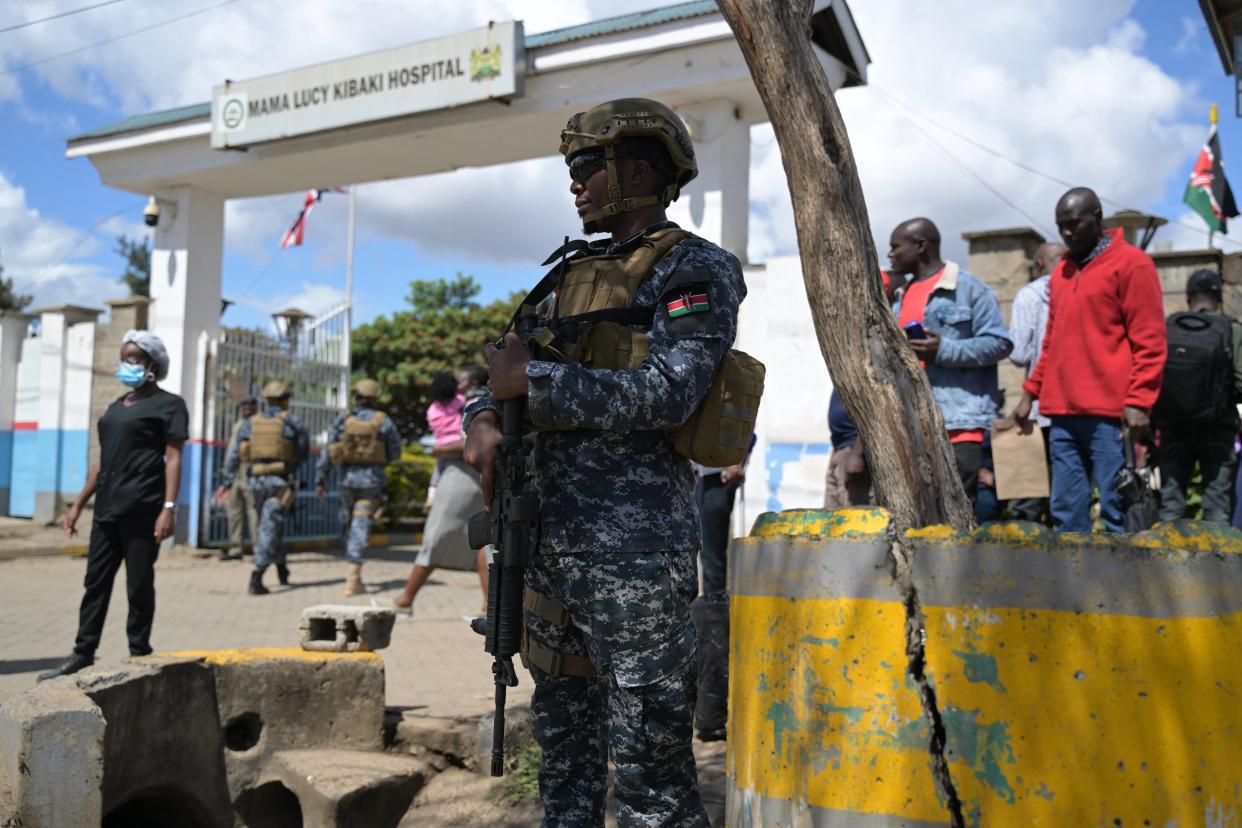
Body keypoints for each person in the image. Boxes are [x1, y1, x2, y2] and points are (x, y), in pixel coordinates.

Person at [462, 97, 741, 826]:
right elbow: (494, 371)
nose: (576, 183)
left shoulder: (693, 267)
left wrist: (537, 384)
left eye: (588, 167)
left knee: (651, 772)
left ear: (638, 169)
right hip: (548, 543)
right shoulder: (564, 278)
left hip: (635, 557)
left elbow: (673, 392)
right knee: (565, 760)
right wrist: (483, 419)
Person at [1013, 187, 1166, 532]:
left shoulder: (1132, 264)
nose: (1066, 233)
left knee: (1118, 507)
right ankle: (1075, 584)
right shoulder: (1062, 272)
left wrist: (1140, 401)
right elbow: (1051, 341)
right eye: (1060, 226)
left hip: (1110, 414)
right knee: (1066, 510)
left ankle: (1124, 583)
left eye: (1073, 224)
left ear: (1096, 217)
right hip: (1062, 412)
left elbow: (1150, 341)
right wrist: (1030, 393)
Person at [39, 331, 188, 680]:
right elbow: (102, 462)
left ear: (152, 364)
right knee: (96, 582)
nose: (127, 364)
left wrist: (169, 508)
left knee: (138, 583)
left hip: (143, 509)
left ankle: (139, 650)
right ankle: (83, 651)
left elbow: (174, 458)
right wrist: (78, 504)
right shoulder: (114, 410)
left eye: (134, 358)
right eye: (124, 358)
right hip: (106, 509)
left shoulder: (169, 405)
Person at [889, 218, 1013, 506]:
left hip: (959, 425)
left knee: (957, 513)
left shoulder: (970, 289)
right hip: (912, 425)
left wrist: (943, 350)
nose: (890, 255)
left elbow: (999, 343)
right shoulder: (900, 297)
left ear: (921, 246)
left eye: (896, 247)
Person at [392, 368, 490, 615]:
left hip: (462, 474)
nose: (457, 383)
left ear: (473, 382)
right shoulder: (488, 400)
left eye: (462, 378)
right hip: (488, 475)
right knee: (487, 541)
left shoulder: (474, 403)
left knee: (436, 535)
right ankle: (490, 605)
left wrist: (439, 449)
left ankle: (405, 599)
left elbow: (471, 443)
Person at [1153, 269, 1242, 522]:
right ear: (1219, 297)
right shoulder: (1231, 330)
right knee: (1216, 507)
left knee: (1171, 506)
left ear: (1189, 297)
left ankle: (1169, 561)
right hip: (1218, 430)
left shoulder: (1168, 327)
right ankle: (1219, 562)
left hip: (1173, 428)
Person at [215, 381, 310, 594]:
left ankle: (282, 568)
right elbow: (303, 453)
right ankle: (256, 577)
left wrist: (227, 481)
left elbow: (235, 455)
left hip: (255, 484)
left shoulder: (250, 423)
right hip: (279, 483)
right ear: (285, 399)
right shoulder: (293, 423)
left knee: (271, 525)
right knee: (269, 527)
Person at [316, 378, 402, 595]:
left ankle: (352, 569)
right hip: (371, 482)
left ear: (357, 397)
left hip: (346, 481)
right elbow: (395, 453)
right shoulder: (383, 421)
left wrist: (320, 479)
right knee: (360, 525)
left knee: (349, 523)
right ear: (375, 398)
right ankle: (353, 577)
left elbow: (328, 452)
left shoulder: (343, 421)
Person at [1007, 243, 1066, 523]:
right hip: (1074, 412)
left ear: (1039, 266)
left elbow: (1018, 354)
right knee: (1066, 500)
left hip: (1036, 410)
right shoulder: (1079, 288)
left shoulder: (1030, 294)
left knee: (1028, 503)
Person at [221, 396, 259, 561]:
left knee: (254, 512)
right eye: (244, 405)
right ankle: (236, 548)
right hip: (235, 473)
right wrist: (228, 478)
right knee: (234, 511)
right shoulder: (238, 424)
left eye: (250, 405)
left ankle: (258, 551)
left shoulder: (258, 424)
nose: (246, 408)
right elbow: (232, 452)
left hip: (250, 471)